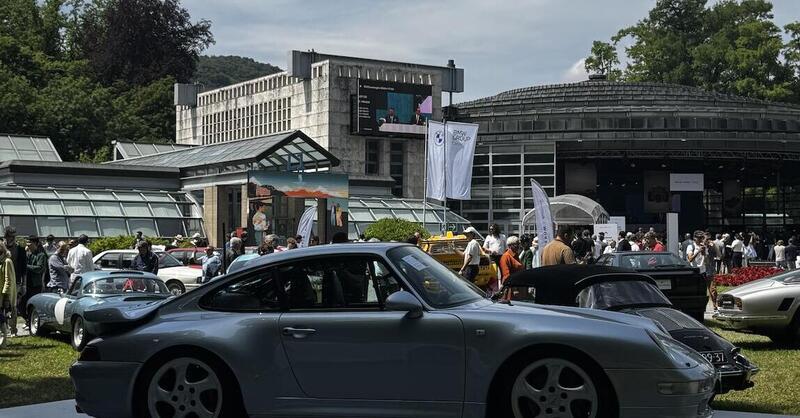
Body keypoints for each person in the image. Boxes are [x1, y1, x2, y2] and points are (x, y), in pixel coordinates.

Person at [21, 236, 47, 328]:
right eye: (27, 243)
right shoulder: (28, 254)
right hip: (26, 283)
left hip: (35, 284)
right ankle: (27, 320)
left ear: (35, 243)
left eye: (30, 243)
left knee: (33, 305)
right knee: (21, 304)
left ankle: (32, 322)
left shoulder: (41, 255)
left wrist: (26, 266)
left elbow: (39, 268)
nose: (28, 245)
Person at [0, 242, 18, 337]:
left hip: (6, 294)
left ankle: (12, 331)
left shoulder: (7, 261)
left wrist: (6, 296)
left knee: (9, 312)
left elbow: (9, 280)